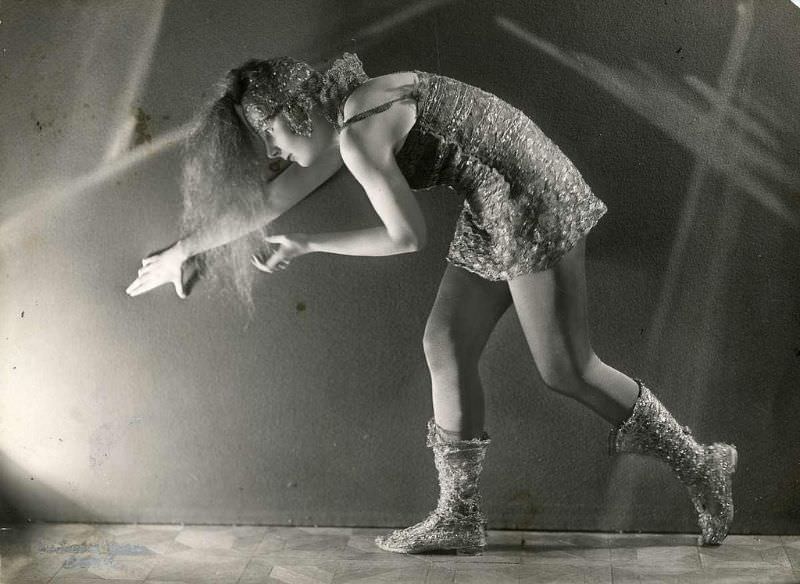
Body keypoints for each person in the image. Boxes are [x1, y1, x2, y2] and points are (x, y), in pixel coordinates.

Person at [126, 53, 737, 553]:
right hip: (495, 192)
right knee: (444, 343)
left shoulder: (361, 134)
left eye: (270, 137)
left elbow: (405, 238)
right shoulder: (348, 107)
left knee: (566, 369)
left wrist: (308, 243)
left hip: (531, 195)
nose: (275, 154)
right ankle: (459, 516)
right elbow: (272, 200)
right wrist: (184, 249)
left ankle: (702, 464)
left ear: (297, 112)